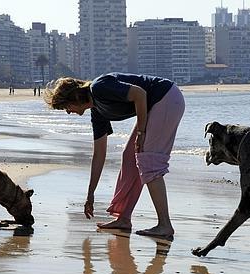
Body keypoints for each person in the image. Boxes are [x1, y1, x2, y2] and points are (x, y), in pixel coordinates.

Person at [44, 73, 185, 238]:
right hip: (157, 103)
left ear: (75, 96)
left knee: (149, 161)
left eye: (66, 106)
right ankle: (123, 218)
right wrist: (90, 195)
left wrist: (141, 132)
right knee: (129, 156)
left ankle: (165, 225)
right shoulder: (97, 112)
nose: (68, 112)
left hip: (166, 97)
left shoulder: (99, 87)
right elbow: (99, 154)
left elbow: (140, 94)